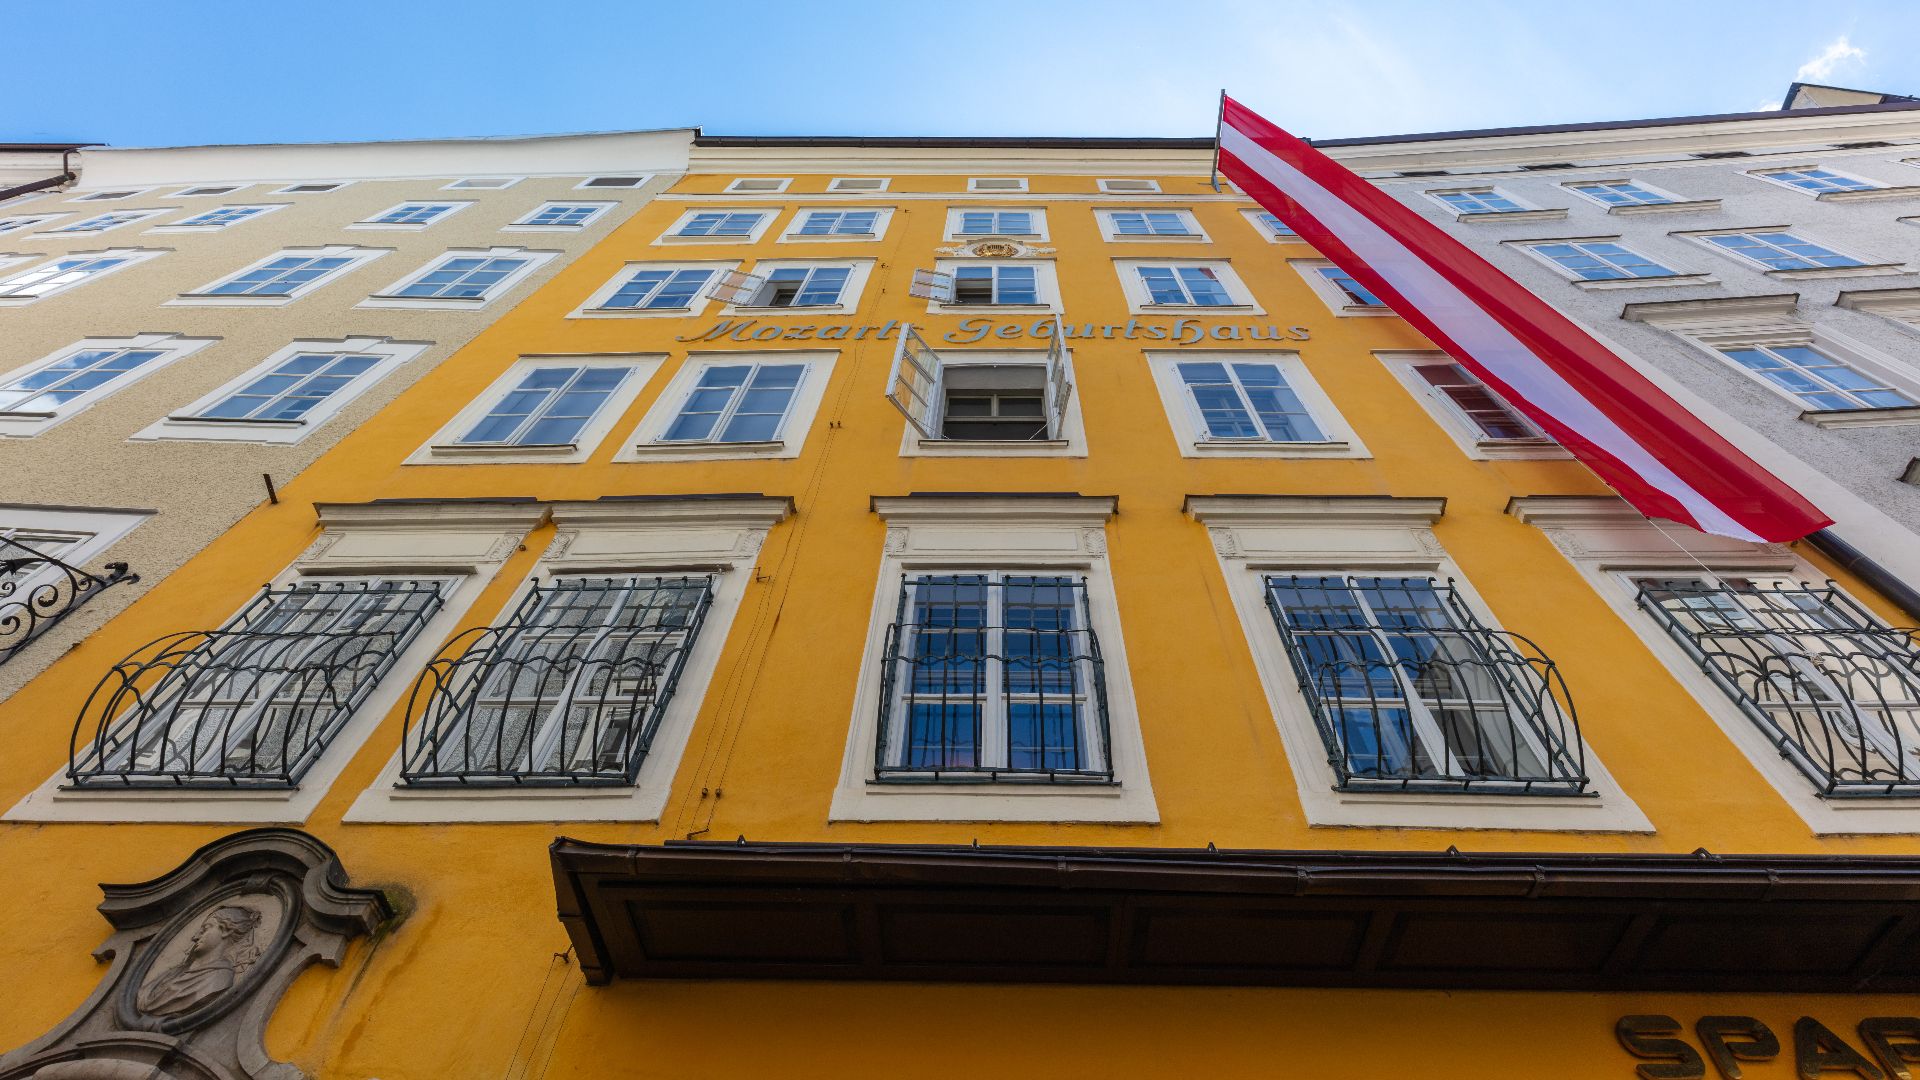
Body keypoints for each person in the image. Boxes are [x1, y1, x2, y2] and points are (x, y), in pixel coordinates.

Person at [135, 905, 263, 1016]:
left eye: (205, 929)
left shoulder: (218, 979)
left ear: (226, 931)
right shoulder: (174, 973)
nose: (195, 937)